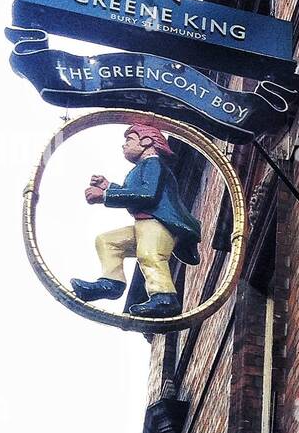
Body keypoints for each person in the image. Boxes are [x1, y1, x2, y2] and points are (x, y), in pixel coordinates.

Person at [71, 118, 202, 319]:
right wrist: (109, 187)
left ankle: (165, 298)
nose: (124, 145)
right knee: (108, 241)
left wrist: (105, 196)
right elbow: (134, 192)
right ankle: (111, 282)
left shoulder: (153, 164)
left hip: (158, 223)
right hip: (145, 223)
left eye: (130, 140)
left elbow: (147, 195)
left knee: (149, 254)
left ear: (146, 142)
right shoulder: (143, 167)